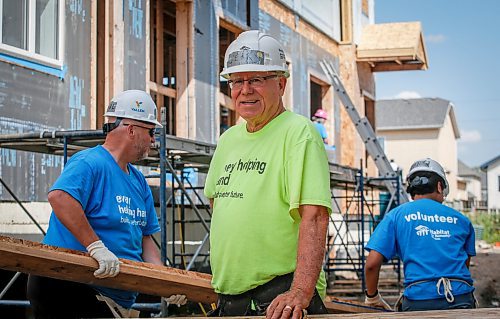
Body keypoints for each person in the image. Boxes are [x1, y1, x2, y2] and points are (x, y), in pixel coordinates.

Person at [204, 30, 332, 318]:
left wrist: (300, 291)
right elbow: (217, 203)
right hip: (232, 299)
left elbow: (315, 215)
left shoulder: (299, 133)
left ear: (281, 84)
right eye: (237, 81)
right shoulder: (228, 140)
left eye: (257, 80)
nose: (245, 90)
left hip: (279, 300)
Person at [27, 90, 186, 318]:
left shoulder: (138, 181)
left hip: (108, 294)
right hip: (68, 285)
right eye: (151, 132)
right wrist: (96, 247)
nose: (153, 139)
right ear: (131, 129)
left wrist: (165, 283)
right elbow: (60, 197)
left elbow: (146, 241)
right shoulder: (90, 162)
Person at [364, 158, 476, 311]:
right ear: (439, 186)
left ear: (411, 189)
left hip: (419, 301)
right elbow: (464, 265)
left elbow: (371, 264)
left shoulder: (396, 216)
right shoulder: (462, 220)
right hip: (460, 299)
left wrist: (372, 297)